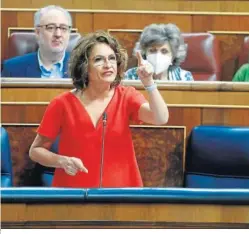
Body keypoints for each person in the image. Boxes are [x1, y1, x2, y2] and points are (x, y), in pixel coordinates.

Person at [29, 31, 169, 188]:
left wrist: (149, 83)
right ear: (84, 67)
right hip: (74, 193)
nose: (108, 65)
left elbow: (160, 118)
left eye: (112, 58)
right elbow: (36, 150)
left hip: (121, 192)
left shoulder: (126, 96)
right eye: (98, 60)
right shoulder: (62, 103)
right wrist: (62, 161)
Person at [1, 5, 72, 78]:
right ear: (38, 32)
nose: (58, 34)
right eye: (50, 27)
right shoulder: (12, 68)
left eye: (64, 28)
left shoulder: (82, 67)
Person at [125, 23, 193, 81]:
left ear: (174, 56)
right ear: (144, 53)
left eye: (164, 51)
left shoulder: (184, 77)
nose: (158, 56)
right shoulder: (130, 76)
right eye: (152, 50)